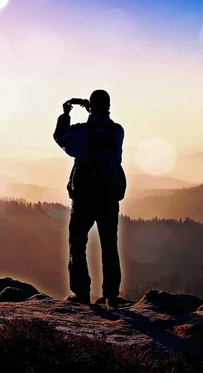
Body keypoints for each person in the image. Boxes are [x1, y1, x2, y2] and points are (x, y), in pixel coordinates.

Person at [53, 89, 127, 307]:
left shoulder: (82, 132)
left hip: (84, 197)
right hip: (109, 196)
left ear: (91, 106)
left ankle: (82, 294)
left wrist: (65, 115)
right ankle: (111, 296)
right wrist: (95, 111)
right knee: (109, 246)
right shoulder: (117, 131)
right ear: (109, 106)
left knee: (77, 243)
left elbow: (61, 138)